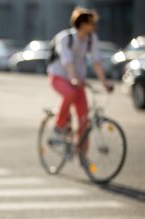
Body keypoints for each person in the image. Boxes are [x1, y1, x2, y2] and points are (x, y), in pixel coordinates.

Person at [47, 7, 114, 147]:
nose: (95, 26)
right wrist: (73, 78)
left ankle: (82, 154)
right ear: (83, 24)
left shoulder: (92, 39)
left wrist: (104, 82)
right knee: (70, 93)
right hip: (59, 76)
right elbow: (67, 61)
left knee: (84, 119)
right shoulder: (65, 38)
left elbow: (96, 62)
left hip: (78, 81)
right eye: (92, 23)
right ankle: (59, 125)